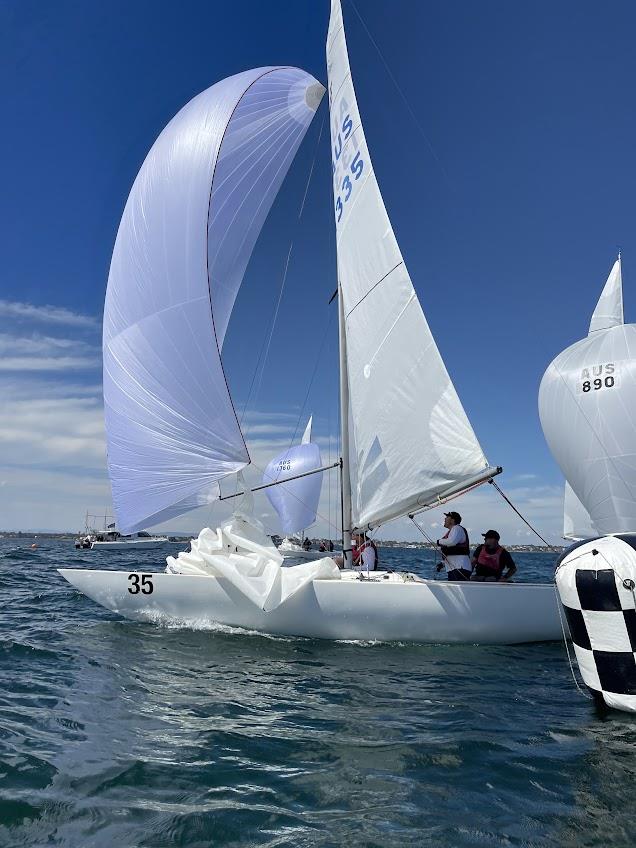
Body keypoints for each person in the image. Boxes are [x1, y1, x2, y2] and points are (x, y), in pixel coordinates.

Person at [436, 511, 471, 580]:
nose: (445, 519)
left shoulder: (457, 528)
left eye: (447, 517)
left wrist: (439, 541)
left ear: (452, 520)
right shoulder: (453, 531)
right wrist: (442, 563)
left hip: (460, 567)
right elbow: (452, 550)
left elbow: (452, 542)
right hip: (455, 568)